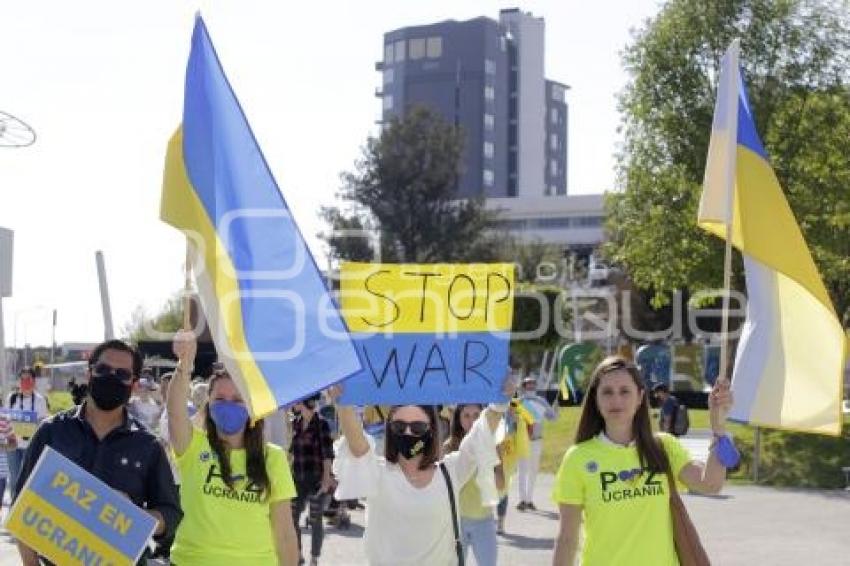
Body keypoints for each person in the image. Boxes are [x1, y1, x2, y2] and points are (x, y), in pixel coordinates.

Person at [14, 340, 182, 566]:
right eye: (103, 370)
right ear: (89, 374)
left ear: (133, 385)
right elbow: (22, 504)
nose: (111, 377)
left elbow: (170, 513)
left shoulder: (148, 445)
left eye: (122, 374)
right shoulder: (51, 432)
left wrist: (138, 517)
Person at [552, 356, 733, 565]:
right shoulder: (578, 458)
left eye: (625, 391)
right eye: (607, 392)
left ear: (640, 398)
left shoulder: (663, 447)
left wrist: (718, 427)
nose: (616, 400)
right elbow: (567, 538)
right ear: (595, 399)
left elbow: (710, 484)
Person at [329, 377, 513, 566]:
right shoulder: (378, 472)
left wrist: (501, 401)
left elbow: (479, 436)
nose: (408, 433)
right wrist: (343, 405)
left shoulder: (450, 472)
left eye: (417, 427)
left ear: (431, 430)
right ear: (390, 431)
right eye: (399, 427)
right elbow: (358, 448)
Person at [169, 331, 299, 566]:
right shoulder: (193, 446)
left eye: (238, 400)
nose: (228, 405)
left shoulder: (273, 458)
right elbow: (175, 412)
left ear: (251, 407)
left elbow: (285, 533)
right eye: (220, 398)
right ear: (208, 403)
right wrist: (184, 365)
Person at [444, 403, 504, 566]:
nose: (472, 421)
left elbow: (500, 484)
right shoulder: (448, 447)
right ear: (458, 419)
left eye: (477, 416)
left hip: (484, 520)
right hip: (456, 522)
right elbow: (444, 487)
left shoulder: (492, 445)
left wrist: (490, 457)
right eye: (466, 416)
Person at [289, 394, 335, 566]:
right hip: (297, 478)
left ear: (303, 403)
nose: (295, 404)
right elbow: (291, 452)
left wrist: (326, 479)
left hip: (316, 479)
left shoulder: (321, 424)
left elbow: (327, 455)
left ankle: (314, 558)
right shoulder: (295, 424)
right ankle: (298, 553)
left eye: (298, 401)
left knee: (315, 519)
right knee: (292, 517)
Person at [6, 367, 51, 499]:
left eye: (28, 379)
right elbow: (5, 419)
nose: (25, 382)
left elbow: (44, 424)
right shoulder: (12, 398)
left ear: (34, 381)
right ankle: (14, 508)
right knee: (14, 479)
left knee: (28, 479)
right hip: (13, 445)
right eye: (22, 379)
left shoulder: (40, 400)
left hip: (30, 446)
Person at [516, 376, 558, 511]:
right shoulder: (518, 402)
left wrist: (555, 408)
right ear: (524, 386)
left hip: (536, 440)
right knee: (522, 471)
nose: (531, 387)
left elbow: (552, 418)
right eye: (528, 384)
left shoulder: (541, 401)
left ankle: (529, 499)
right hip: (522, 440)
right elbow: (509, 419)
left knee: (533, 471)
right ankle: (522, 500)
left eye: (533, 384)